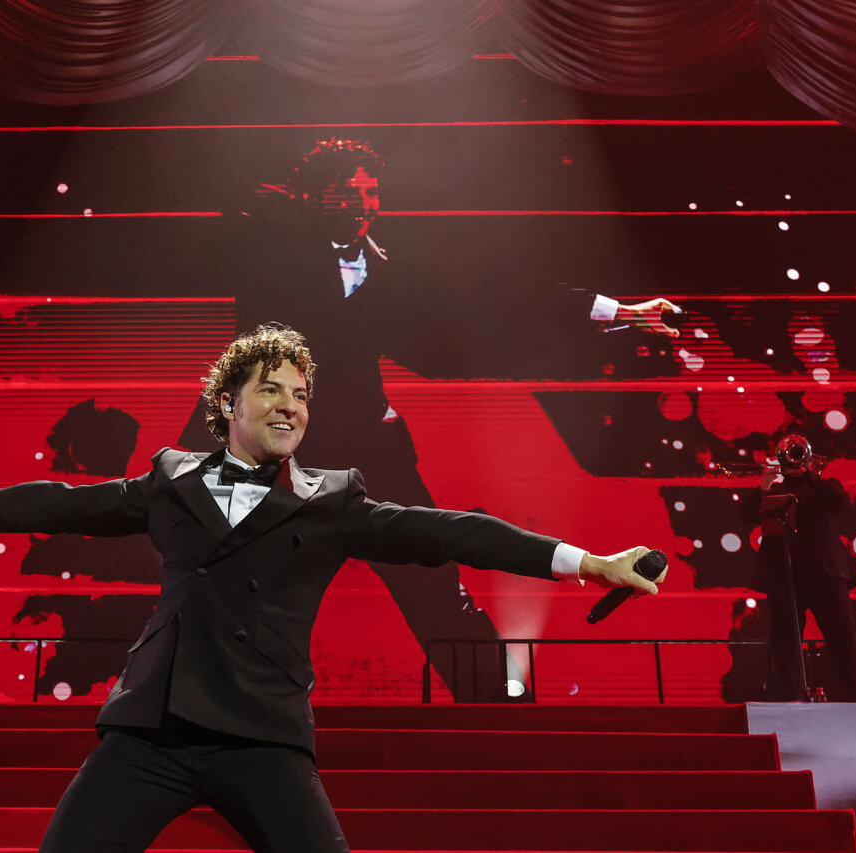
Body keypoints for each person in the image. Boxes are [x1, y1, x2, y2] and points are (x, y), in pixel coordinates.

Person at [0, 325, 668, 852]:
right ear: (226, 403)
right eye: (271, 387)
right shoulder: (169, 480)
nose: (291, 404)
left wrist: (586, 561)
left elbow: (453, 530)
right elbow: (59, 500)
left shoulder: (335, 497)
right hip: (150, 733)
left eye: (302, 393)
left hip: (265, 738)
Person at [180, 138, 679, 700]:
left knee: (434, 582)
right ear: (313, 196)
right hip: (274, 453)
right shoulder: (272, 249)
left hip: (370, 452)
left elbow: (494, 297)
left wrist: (615, 312)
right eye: (348, 192)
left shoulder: (387, 267)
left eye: (372, 193)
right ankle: (192, 708)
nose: (364, 204)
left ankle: (502, 708)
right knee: (221, 584)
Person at [755, 434, 856, 701]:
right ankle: (787, 696)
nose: (794, 459)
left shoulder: (825, 485)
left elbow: (839, 503)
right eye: (790, 454)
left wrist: (810, 475)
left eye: (798, 453)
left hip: (826, 572)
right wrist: (765, 485)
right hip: (786, 573)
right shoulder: (776, 487)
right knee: (784, 640)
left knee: (843, 637)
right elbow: (749, 513)